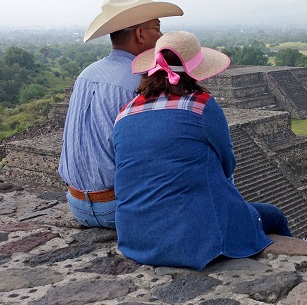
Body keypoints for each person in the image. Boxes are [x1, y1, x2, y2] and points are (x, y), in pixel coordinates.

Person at [113, 31, 291, 270]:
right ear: (195, 71)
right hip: (193, 236)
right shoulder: (201, 105)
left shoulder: (124, 113)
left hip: (136, 237)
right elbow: (227, 163)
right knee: (275, 216)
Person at [58, 0, 183, 228]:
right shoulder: (142, 82)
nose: (161, 34)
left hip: (76, 204)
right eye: (156, 27)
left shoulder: (87, 74)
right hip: (117, 208)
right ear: (140, 34)